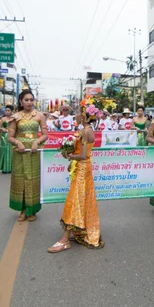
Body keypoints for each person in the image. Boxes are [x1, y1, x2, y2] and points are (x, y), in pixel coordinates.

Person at [47, 104, 104, 253]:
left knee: (74, 201)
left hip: (82, 168)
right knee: (81, 200)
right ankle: (79, 228)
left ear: (85, 116)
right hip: (82, 167)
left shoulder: (85, 131)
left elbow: (84, 155)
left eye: (79, 113)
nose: (76, 115)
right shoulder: (85, 130)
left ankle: (65, 240)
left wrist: (71, 156)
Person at [8, 90, 48, 222]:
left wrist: (37, 142)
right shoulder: (15, 117)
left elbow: (45, 134)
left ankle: (32, 209)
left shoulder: (39, 115)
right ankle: (23, 209)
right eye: (26, 100)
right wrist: (18, 142)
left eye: (31, 100)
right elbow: (10, 137)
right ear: (21, 101)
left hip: (34, 152)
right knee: (21, 179)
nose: (29, 102)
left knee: (32, 180)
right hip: (19, 152)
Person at [0, 105, 14, 174]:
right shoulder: (3, 119)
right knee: (4, 150)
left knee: (11, 151)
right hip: (4, 136)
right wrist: (3, 129)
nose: (7, 112)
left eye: (9, 110)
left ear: (11, 111)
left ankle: (11, 167)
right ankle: (4, 168)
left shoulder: (14, 119)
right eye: (6, 110)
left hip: (12, 136)